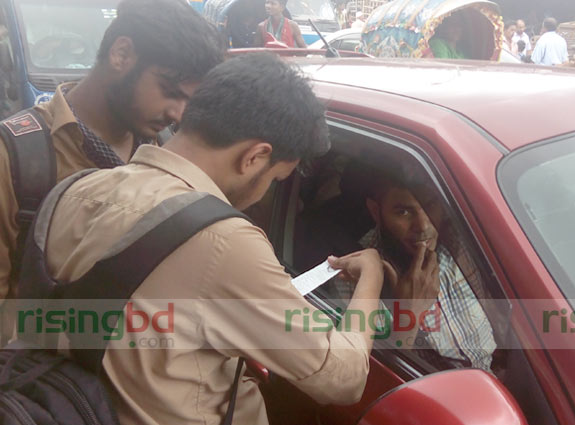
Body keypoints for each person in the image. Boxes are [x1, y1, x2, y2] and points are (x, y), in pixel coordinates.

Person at [35, 53, 385, 425]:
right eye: (275, 180)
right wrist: (371, 277)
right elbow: (342, 380)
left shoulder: (74, 190)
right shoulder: (222, 241)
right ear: (255, 157)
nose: (265, 191)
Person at [0, 0, 225, 340]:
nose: (178, 114)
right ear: (121, 54)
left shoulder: (166, 149)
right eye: (169, 92)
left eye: (188, 102)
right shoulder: (17, 155)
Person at [332, 163, 496, 371]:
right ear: (376, 211)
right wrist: (408, 314)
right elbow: (367, 379)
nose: (424, 225)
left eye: (431, 206)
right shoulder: (354, 277)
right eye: (403, 212)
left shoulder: (462, 241)